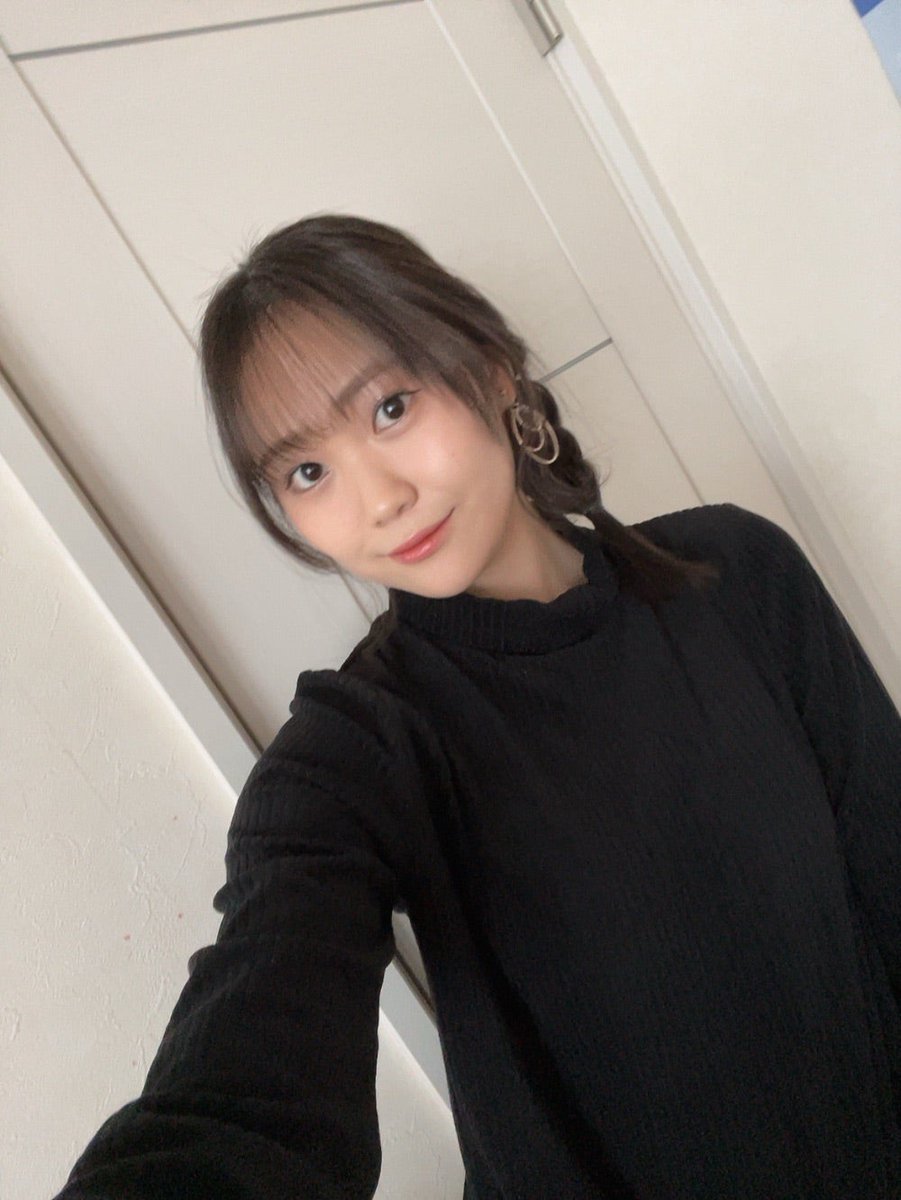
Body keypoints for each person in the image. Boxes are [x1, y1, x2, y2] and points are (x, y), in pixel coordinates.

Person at [53, 215, 900, 1199]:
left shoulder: (739, 574)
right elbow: (251, 1058)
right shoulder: (357, 748)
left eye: (390, 408)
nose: (378, 499)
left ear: (492, 369)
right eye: (307, 472)